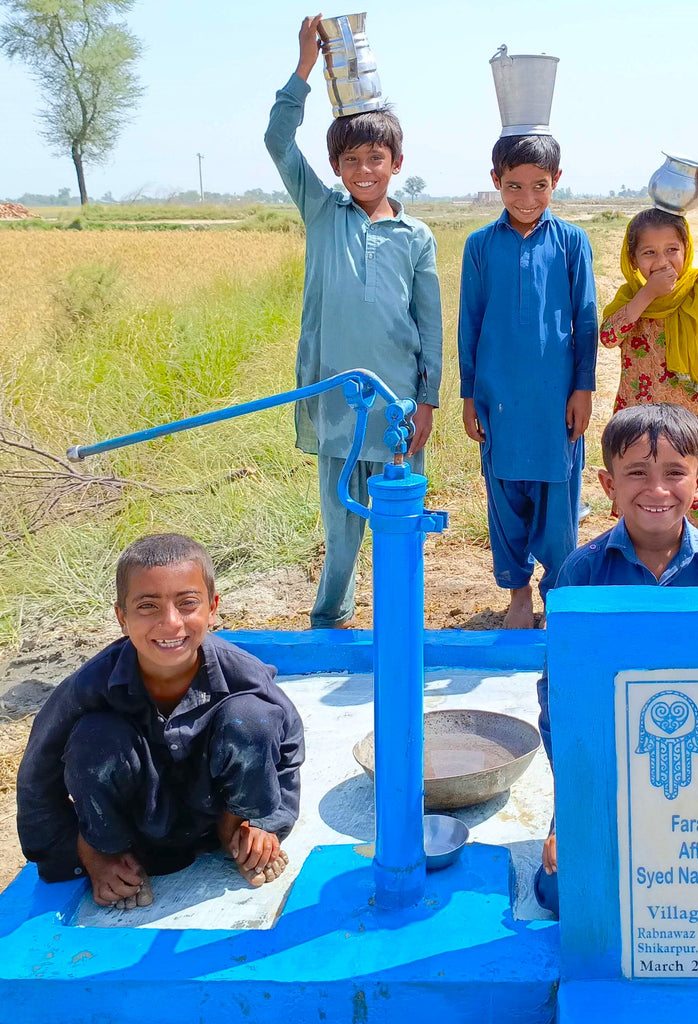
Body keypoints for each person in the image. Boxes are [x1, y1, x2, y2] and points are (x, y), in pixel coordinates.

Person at [534, 404, 698, 916]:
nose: (657, 490)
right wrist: (572, 811)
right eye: (637, 473)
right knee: (562, 895)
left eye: (675, 473)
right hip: (608, 769)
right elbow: (558, 703)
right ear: (609, 486)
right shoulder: (582, 574)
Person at [265, 15, 443, 629]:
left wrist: (427, 402)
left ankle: (402, 629)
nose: (363, 169)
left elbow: (430, 327)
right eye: (350, 159)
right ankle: (328, 622)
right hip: (338, 404)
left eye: (375, 157)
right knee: (340, 535)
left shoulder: (415, 236)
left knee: (402, 529)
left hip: (397, 412)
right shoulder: (322, 210)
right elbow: (278, 143)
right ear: (336, 166)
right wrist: (304, 68)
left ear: (397, 162)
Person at [17, 534, 304, 909]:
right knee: (95, 738)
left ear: (212, 608)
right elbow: (37, 773)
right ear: (122, 617)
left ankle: (234, 828)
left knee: (252, 719)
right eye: (148, 606)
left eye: (187, 604)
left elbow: (289, 743)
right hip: (136, 824)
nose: (171, 624)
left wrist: (267, 821)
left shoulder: (243, 674)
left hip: (214, 807)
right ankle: (112, 850)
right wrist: (80, 854)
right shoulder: (89, 686)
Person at [457, 134, 598, 629]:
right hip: (499, 400)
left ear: (556, 182)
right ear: (496, 182)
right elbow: (469, 323)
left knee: (560, 503)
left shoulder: (572, 242)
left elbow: (585, 319)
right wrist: (468, 393)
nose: (527, 198)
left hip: (556, 400)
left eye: (539, 186)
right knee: (504, 498)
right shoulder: (480, 246)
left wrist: (583, 387)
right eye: (514, 186)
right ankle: (518, 592)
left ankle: (557, 593)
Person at [600, 161, 698, 522]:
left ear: (686, 249)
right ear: (632, 259)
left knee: (682, 496)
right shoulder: (630, 296)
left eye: (671, 250)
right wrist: (647, 295)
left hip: (687, 418)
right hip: (636, 417)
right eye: (649, 252)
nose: (662, 260)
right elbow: (607, 336)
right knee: (636, 497)